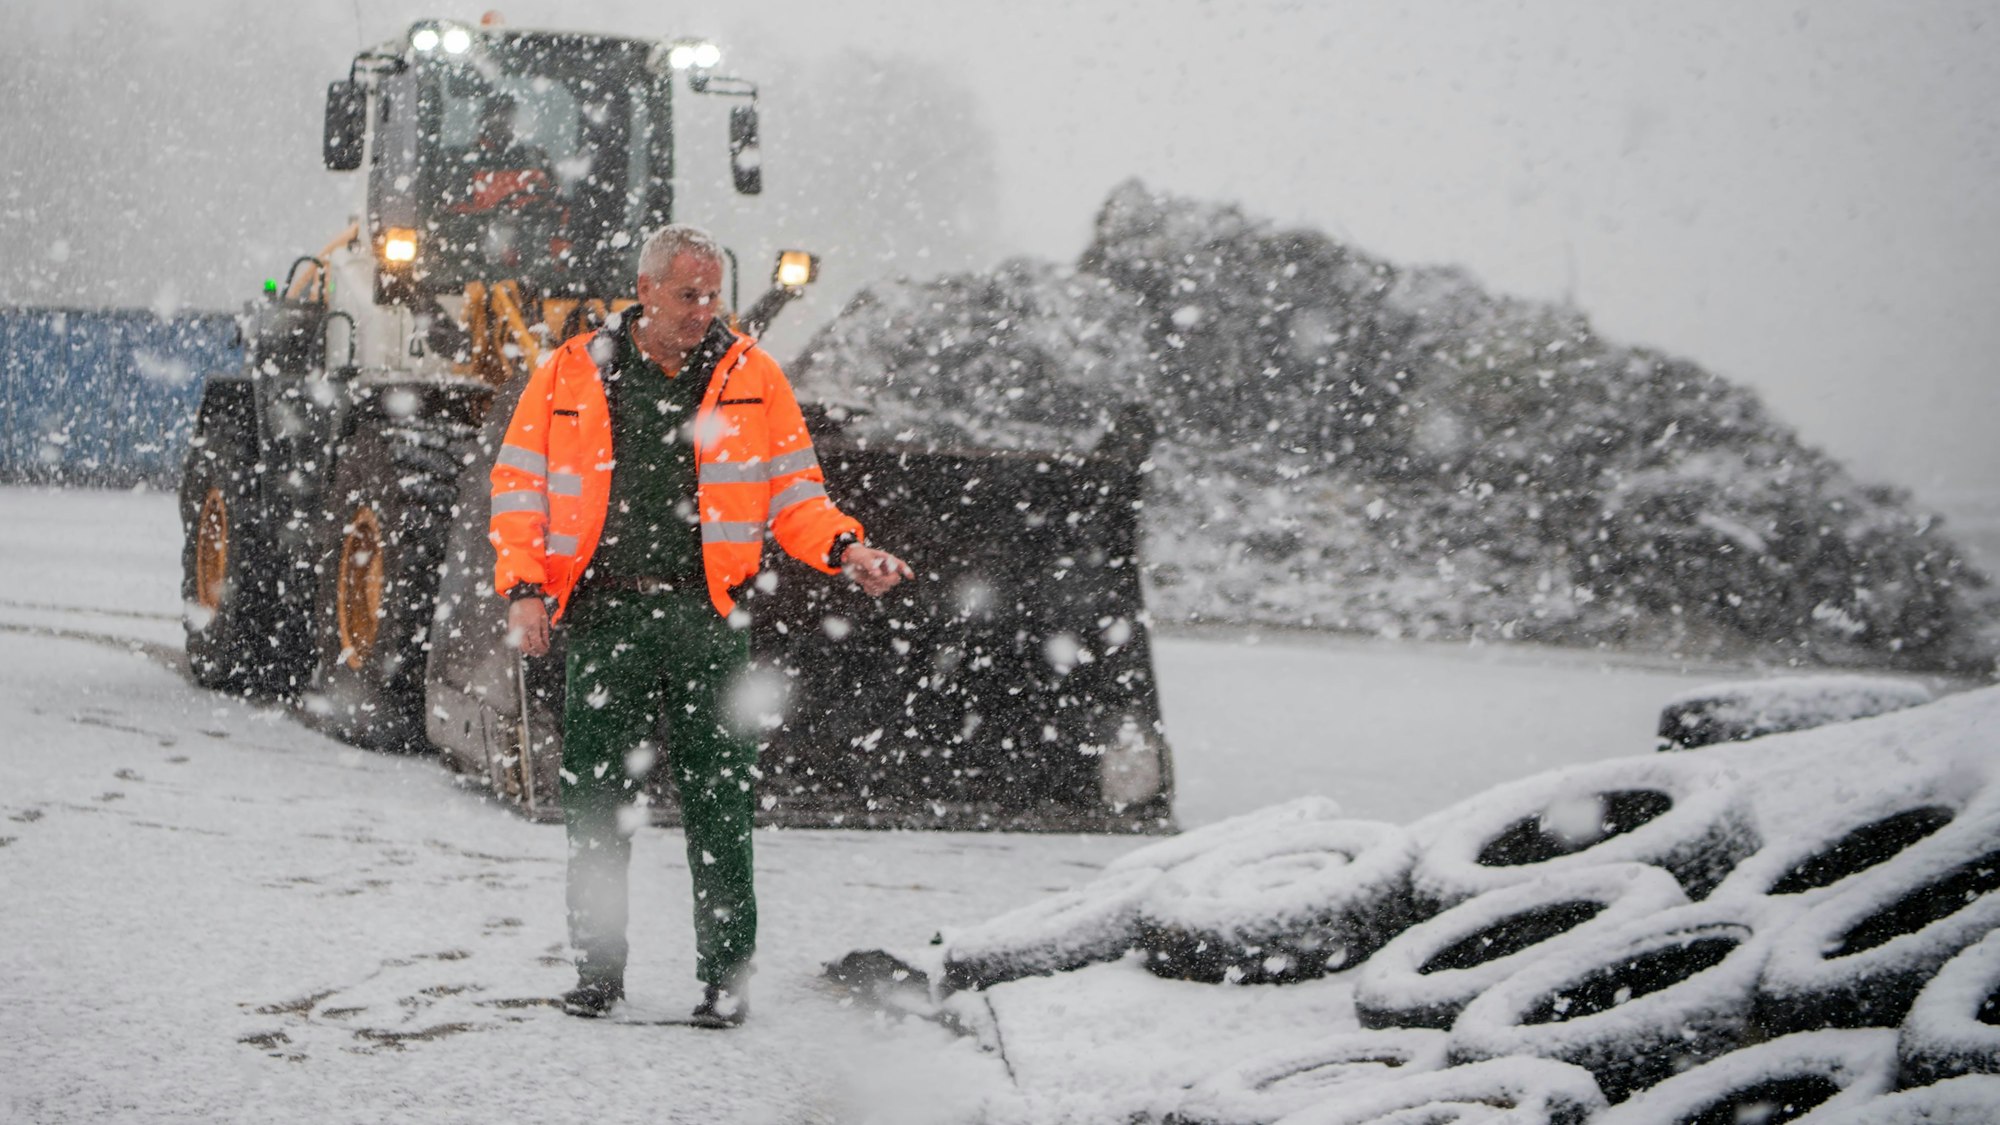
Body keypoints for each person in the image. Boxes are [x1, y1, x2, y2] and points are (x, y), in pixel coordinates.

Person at [488, 224, 912, 1026]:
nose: (704, 309)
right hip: (607, 612)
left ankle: (726, 979)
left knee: (720, 802)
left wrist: (847, 548)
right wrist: (523, 588)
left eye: (712, 293)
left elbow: (795, 495)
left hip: (707, 614)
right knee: (594, 802)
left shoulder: (753, 377)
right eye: (687, 295)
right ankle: (596, 972)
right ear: (644, 291)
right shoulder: (570, 373)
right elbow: (521, 487)